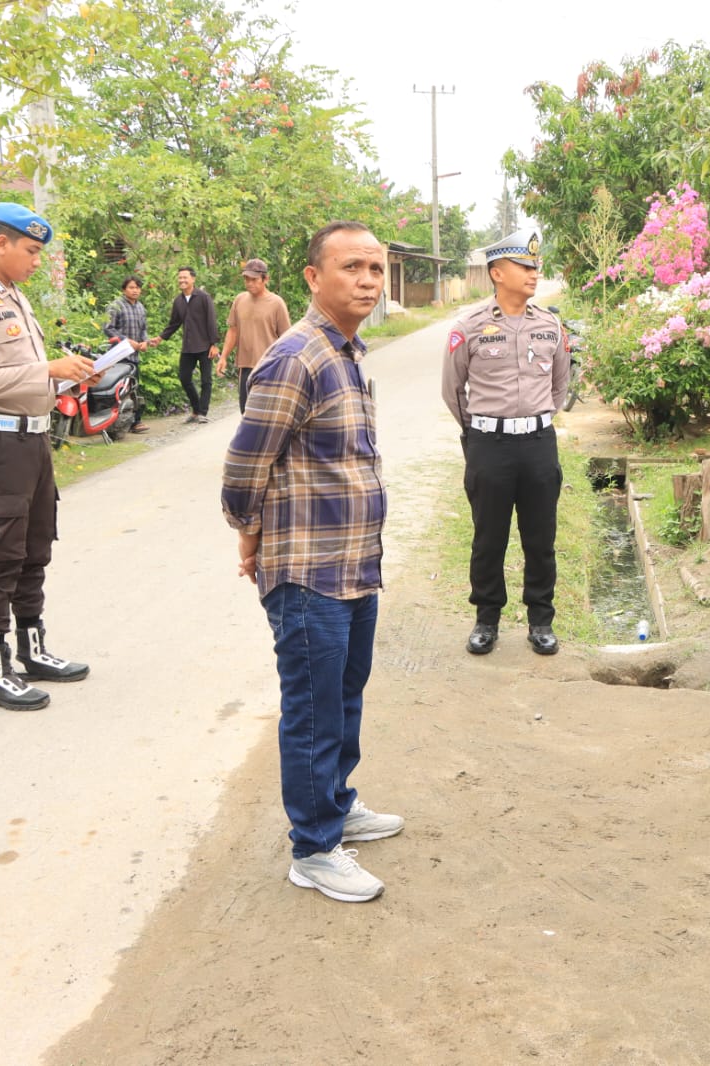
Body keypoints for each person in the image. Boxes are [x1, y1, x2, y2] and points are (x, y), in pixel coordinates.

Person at [221, 220, 403, 903]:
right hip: (308, 574)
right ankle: (315, 847)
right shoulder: (297, 355)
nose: (367, 280)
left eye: (376, 270)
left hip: (354, 565)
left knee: (344, 696)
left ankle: (337, 802)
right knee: (312, 706)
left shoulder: (347, 352)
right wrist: (249, 531)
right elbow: (246, 460)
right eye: (352, 266)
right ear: (313, 277)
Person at [0, 203, 97, 711]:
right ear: (1, 244)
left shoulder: (16, 299)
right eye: (30, 251)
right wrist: (48, 369)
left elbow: (30, 375)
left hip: (34, 439)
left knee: (33, 549)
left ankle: (32, 650)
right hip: (1, 444)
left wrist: (67, 374)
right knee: (0, 554)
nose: (35, 261)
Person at [441, 229, 570, 657]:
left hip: (537, 443)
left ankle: (540, 620)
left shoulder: (550, 326)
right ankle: (486, 619)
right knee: (488, 538)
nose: (534, 273)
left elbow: (560, 385)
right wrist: (478, 433)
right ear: (497, 272)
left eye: (536, 267)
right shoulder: (470, 327)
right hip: (488, 445)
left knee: (540, 537)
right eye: (525, 266)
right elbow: (453, 389)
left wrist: (535, 420)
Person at [218, 258, 292, 413]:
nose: (249, 283)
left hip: (269, 367)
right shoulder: (239, 300)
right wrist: (223, 357)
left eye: (254, 279)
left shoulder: (277, 303)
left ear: (265, 279)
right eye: (246, 279)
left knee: (267, 414)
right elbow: (233, 331)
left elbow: (287, 339)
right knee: (246, 412)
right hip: (245, 366)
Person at [155, 266, 220, 423]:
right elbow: (174, 323)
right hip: (188, 347)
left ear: (193, 279)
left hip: (205, 346)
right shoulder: (178, 301)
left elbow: (211, 320)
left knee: (206, 381)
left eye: (185, 277)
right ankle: (196, 410)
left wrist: (214, 344)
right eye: (180, 278)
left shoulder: (204, 297)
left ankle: (203, 413)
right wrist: (160, 338)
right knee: (184, 378)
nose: (182, 280)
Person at [104, 275, 152, 433]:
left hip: (134, 357)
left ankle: (135, 422)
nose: (135, 290)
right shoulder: (115, 306)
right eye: (131, 287)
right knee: (117, 390)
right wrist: (126, 341)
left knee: (134, 388)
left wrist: (144, 342)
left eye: (137, 287)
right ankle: (113, 424)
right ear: (124, 289)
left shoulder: (141, 307)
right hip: (118, 356)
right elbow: (108, 328)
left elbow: (143, 329)